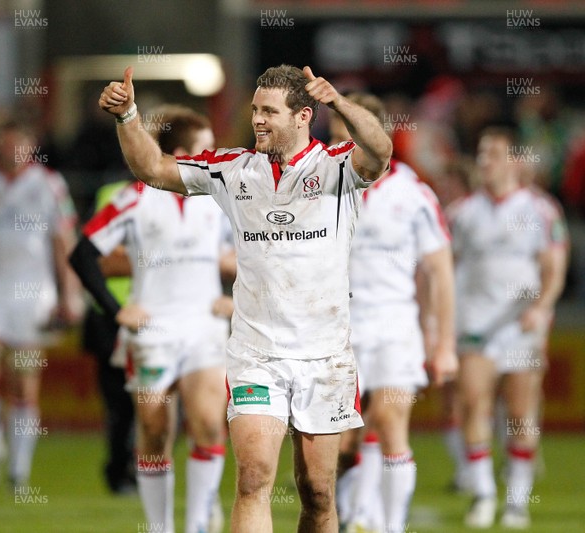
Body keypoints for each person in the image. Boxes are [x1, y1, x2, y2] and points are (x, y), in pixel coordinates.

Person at [97, 64, 391, 533]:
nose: (258, 119)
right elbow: (151, 169)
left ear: (303, 117)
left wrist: (342, 104)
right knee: (253, 479)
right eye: (255, 109)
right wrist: (128, 115)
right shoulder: (231, 170)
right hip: (257, 356)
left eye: (270, 112)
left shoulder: (338, 167)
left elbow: (381, 148)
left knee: (317, 493)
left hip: (326, 356)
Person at [70, 106, 234, 533]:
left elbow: (260, 251)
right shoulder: (134, 199)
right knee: (156, 429)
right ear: (182, 153)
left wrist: (238, 301)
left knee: (209, 423)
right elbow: (82, 253)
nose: (216, 155)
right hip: (153, 332)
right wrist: (116, 308)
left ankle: (197, 524)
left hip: (205, 327)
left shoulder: (223, 196)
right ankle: (160, 528)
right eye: (208, 147)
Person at [329, 93, 458, 533]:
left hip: (393, 324)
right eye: (331, 136)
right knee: (341, 440)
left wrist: (443, 344)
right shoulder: (324, 183)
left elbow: (440, 269)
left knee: (388, 418)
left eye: (343, 135)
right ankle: (352, 514)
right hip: (336, 327)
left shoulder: (412, 192)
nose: (334, 146)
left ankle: (390, 525)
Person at [449, 127, 567, 529]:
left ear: (515, 160)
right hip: (476, 325)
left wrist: (542, 307)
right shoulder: (463, 212)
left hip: (519, 326)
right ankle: (482, 495)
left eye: (495, 154)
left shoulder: (540, 209)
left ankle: (517, 502)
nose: (486, 162)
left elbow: (554, 267)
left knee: (521, 412)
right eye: (482, 154)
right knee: (474, 404)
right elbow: (444, 266)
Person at [0, 120, 81, 489]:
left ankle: (18, 470)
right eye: (4, 146)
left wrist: (69, 293)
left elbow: (63, 242)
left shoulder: (48, 184)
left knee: (24, 384)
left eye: (18, 146)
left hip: (32, 292)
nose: (11, 153)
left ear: (30, 147)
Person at [81, 180, 136, 495]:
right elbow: (90, 254)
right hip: (110, 316)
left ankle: (139, 468)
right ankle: (120, 470)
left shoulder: (183, 192)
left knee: (160, 402)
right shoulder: (111, 194)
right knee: (120, 402)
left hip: (158, 316)